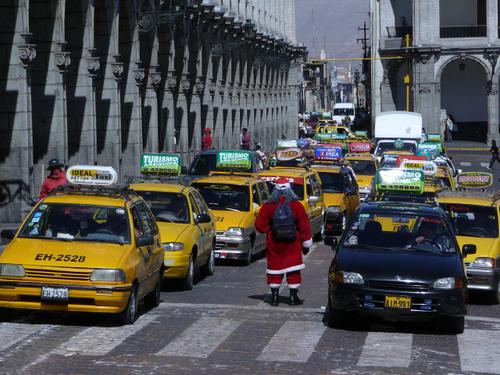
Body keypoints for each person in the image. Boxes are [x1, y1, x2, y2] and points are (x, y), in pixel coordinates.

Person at [255, 177, 313, 306]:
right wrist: (306, 242)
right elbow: (304, 225)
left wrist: (270, 229)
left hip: (274, 243)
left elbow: (259, 225)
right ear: (289, 190)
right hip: (293, 243)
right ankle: (293, 297)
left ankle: (275, 297)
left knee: (275, 268)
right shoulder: (296, 205)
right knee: (293, 269)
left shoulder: (268, 206)